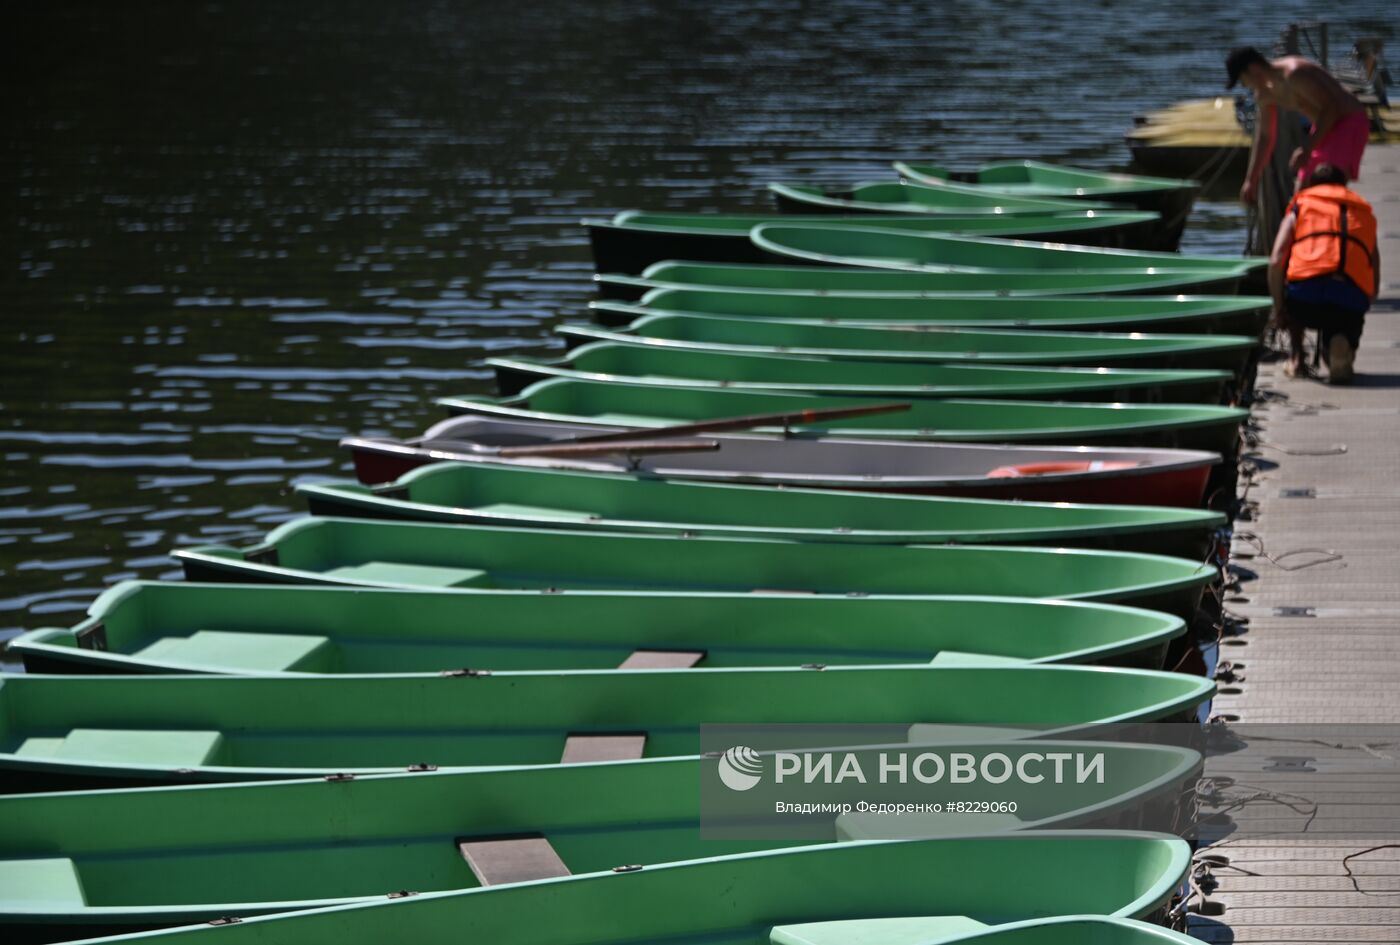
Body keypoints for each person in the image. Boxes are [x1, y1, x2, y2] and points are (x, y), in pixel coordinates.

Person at [1268, 163, 1379, 383]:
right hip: (1349, 299)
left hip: (1305, 299)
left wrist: (1279, 308)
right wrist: (1370, 296)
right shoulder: (1362, 211)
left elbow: (1276, 259)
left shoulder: (1301, 207)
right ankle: (1339, 347)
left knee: (1294, 283)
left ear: (1312, 185)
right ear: (1344, 185)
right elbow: (1374, 261)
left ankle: (1297, 357)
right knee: (1344, 316)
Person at [1226, 46, 1368, 206]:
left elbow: (1331, 108)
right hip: (1323, 127)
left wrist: (1307, 149)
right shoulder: (1264, 94)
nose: (1245, 86)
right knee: (1300, 196)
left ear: (1253, 68)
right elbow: (1265, 137)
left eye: (1243, 80)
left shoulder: (1294, 74)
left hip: (1348, 122)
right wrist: (1251, 180)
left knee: (1328, 189)